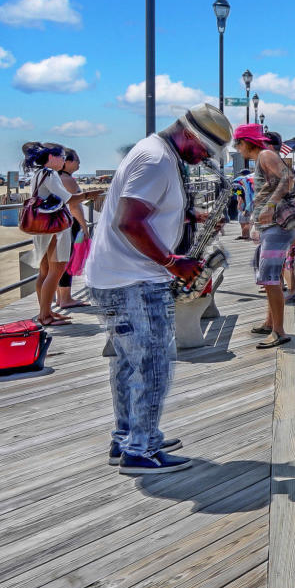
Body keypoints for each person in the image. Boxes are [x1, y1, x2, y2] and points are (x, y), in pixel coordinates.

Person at [86, 104, 233, 474]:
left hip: (118, 276)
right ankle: (141, 449)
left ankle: (128, 436)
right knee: (152, 366)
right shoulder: (156, 160)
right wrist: (172, 262)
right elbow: (128, 221)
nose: (203, 159)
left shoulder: (156, 152)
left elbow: (144, 211)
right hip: (133, 280)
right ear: (188, 135)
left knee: (127, 363)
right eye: (203, 150)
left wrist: (188, 215)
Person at [234, 123, 294, 349]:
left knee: (269, 277)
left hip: (276, 226)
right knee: (271, 276)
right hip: (272, 227)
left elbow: (287, 179)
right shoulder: (264, 157)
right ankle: (271, 322)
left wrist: (269, 204)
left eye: (237, 143)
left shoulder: (265, 155)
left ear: (246, 142)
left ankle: (279, 331)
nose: (237, 149)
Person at [21, 142, 82, 327]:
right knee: (56, 271)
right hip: (55, 228)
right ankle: (45, 316)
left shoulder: (38, 174)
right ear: (51, 157)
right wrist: (92, 195)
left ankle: (45, 311)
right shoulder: (50, 173)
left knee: (45, 272)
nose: (63, 160)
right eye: (61, 157)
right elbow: (68, 198)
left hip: (42, 228)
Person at [54, 147, 96, 312]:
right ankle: (65, 298)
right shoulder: (67, 179)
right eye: (77, 160)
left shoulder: (55, 177)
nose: (79, 164)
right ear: (68, 162)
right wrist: (85, 227)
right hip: (69, 224)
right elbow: (74, 206)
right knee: (67, 260)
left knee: (59, 261)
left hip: (59, 223)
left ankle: (60, 297)